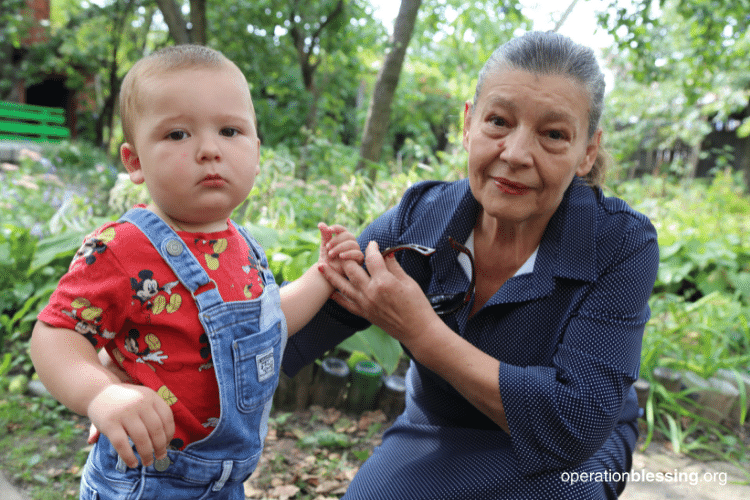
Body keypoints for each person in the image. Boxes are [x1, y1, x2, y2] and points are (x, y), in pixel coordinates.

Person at [284, 31, 659, 499]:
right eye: (499, 121)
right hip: (441, 424)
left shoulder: (620, 242)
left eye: (553, 134)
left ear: (587, 151)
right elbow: (293, 332)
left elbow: (576, 420)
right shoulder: (419, 219)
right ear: (468, 124)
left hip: (577, 452)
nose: (517, 154)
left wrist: (423, 333)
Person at [29, 45, 362, 499]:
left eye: (230, 130)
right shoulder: (122, 248)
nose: (209, 150)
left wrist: (324, 274)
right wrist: (101, 394)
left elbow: (270, 319)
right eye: (178, 134)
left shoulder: (243, 246)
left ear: (257, 151)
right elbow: (55, 334)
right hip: (146, 479)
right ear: (135, 162)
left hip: (225, 482)